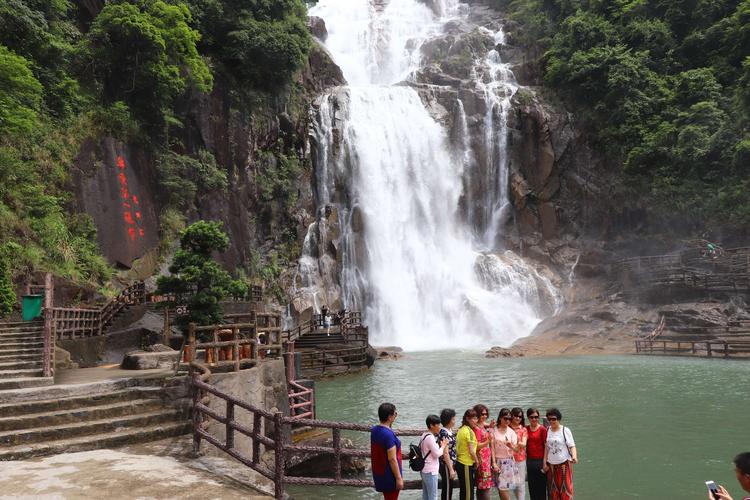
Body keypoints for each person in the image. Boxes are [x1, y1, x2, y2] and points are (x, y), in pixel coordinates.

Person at [542, 408, 577, 500]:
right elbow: (547, 448)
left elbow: (572, 446)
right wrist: (544, 462)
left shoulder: (565, 430)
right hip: (551, 466)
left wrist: (574, 456)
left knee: (566, 491)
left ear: (558, 419)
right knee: (553, 492)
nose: (551, 421)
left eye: (554, 419)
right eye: (549, 419)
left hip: (564, 465)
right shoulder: (547, 430)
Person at [371, 403, 404, 499]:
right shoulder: (388, 435)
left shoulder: (375, 430)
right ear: (390, 417)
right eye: (395, 414)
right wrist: (398, 478)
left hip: (380, 472)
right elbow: (392, 459)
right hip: (390, 475)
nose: (395, 415)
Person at [491, 408, 518, 500]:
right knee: (500, 488)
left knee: (503, 488)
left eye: (509, 419)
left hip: (508, 462)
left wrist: (510, 445)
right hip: (497, 462)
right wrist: (494, 463)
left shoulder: (511, 432)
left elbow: (517, 449)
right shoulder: (494, 431)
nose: (507, 420)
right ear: (500, 418)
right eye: (505, 418)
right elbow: (492, 449)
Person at [421, 414, 448, 500]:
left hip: (424, 470)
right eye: (438, 425)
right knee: (433, 497)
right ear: (431, 425)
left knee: (426, 496)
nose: (439, 427)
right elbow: (437, 454)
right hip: (431, 471)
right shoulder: (430, 438)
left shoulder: (424, 435)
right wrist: (443, 446)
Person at [456, 408, 479, 500]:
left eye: (476, 418)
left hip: (460, 463)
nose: (475, 421)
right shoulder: (468, 431)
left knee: (464, 491)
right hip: (466, 463)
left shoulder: (461, 429)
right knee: (469, 493)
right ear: (467, 419)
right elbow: (471, 450)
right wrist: (477, 461)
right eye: (473, 418)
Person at [525, 407, 548, 500]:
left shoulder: (542, 429)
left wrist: (545, 462)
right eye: (532, 417)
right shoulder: (525, 429)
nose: (534, 419)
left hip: (540, 461)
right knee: (532, 487)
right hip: (530, 462)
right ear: (528, 418)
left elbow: (546, 446)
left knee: (541, 488)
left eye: (536, 417)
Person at [473, 404, 493, 500]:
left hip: (486, 459)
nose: (484, 416)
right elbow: (476, 446)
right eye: (482, 414)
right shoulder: (476, 428)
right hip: (482, 460)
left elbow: (485, 424)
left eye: (486, 414)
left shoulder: (482, 425)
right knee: (485, 486)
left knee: (481, 486)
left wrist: (490, 425)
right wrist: (488, 441)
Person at [438, 408, 458, 500]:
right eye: (453, 419)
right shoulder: (444, 433)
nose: (455, 420)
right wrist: (450, 469)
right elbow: (445, 452)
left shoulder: (449, 431)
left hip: (450, 463)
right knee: (447, 489)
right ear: (449, 420)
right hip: (446, 464)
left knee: (449, 488)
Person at [509, 408, 528, 500]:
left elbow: (524, 444)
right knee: (512, 484)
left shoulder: (523, 429)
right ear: (511, 416)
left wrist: (515, 440)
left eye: (520, 416)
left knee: (520, 484)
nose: (518, 418)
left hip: (520, 459)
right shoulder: (506, 427)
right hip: (507, 459)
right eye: (516, 416)